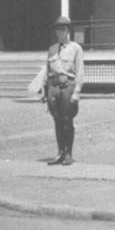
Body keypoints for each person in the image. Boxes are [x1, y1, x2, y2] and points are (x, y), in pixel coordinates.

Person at [42, 16, 84, 166]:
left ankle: (68, 154)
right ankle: (60, 152)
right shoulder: (52, 49)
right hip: (53, 88)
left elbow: (80, 71)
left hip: (68, 87)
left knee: (67, 120)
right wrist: (45, 91)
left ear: (68, 31)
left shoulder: (75, 48)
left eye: (63, 29)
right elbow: (47, 71)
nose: (60, 33)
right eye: (58, 30)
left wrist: (77, 92)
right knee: (57, 121)